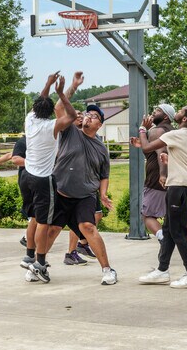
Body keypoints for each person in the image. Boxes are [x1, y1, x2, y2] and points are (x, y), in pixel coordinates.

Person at [134, 104, 187, 289]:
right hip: (185, 185)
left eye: (181, 110)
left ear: (184, 119)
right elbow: (186, 161)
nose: (178, 110)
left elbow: (147, 147)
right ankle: (162, 270)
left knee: (177, 231)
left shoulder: (175, 135)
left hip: (179, 187)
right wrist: (169, 161)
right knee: (167, 229)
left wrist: (142, 128)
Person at [19, 72, 77, 283]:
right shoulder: (50, 126)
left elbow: (40, 103)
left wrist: (47, 83)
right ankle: (40, 263)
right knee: (43, 221)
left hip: (26, 176)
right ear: (50, 111)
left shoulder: (30, 120)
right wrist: (61, 92)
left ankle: (28, 255)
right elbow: (71, 116)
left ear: (34, 110)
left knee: (33, 217)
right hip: (43, 179)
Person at [52, 96, 117, 285]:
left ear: (100, 125)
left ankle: (108, 270)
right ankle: (37, 263)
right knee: (52, 230)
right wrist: (70, 88)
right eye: (88, 113)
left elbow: (104, 174)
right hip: (61, 192)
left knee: (88, 227)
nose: (89, 116)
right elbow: (58, 109)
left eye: (95, 116)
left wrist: (103, 194)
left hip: (85, 195)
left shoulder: (101, 149)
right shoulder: (70, 131)